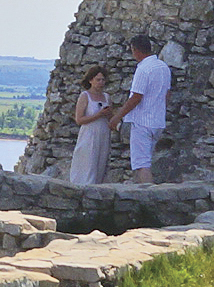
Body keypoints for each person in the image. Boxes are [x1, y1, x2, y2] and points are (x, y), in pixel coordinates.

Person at [109, 35, 171, 184]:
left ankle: (147, 197)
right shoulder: (164, 67)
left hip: (142, 122)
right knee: (146, 159)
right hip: (157, 121)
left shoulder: (143, 69)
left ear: (135, 50)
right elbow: (167, 94)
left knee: (141, 164)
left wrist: (117, 116)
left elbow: (136, 97)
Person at [67, 67, 115, 185]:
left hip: (103, 132)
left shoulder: (107, 97)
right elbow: (79, 119)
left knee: (100, 163)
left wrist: (109, 115)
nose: (101, 83)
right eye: (98, 80)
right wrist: (98, 115)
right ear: (90, 80)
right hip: (89, 133)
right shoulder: (85, 96)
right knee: (88, 162)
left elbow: (111, 118)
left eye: (103, 80)